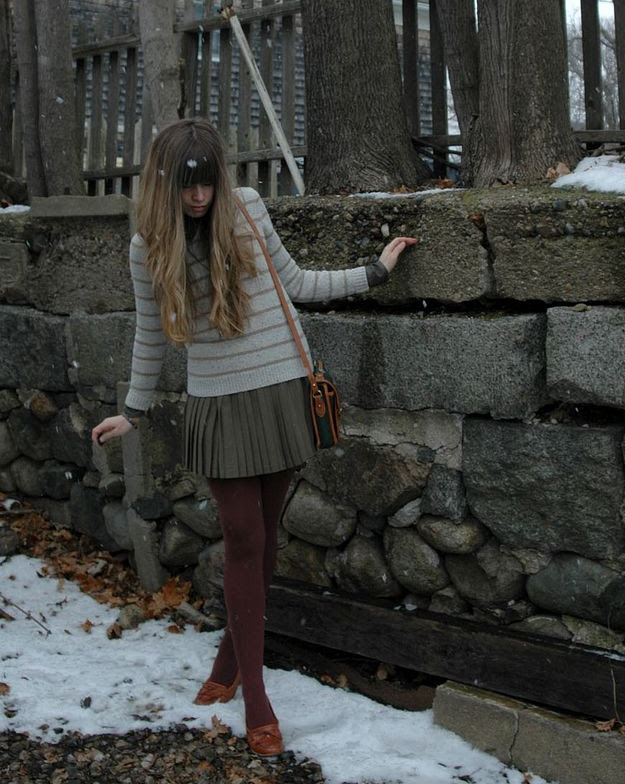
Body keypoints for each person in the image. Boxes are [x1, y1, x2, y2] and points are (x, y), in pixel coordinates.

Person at [91, 118, 416, 758]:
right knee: (243, 537)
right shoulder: (147, 246)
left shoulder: (246, 209)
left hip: (281, 390)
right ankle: (257, 698)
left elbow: (296, 283)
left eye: (207, 182)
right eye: (186, 186)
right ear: (165, 184)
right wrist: (133, 410)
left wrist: (374, 273)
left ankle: (228, 663)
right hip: (219, 407)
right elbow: (150, 333)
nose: (198, 197)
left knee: (263, 540)